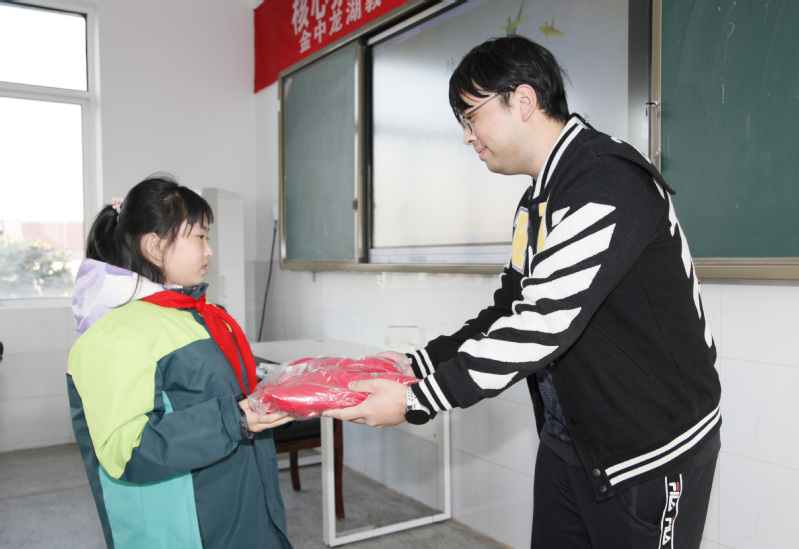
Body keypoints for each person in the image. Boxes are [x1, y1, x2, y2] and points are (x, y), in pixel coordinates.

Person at [325, 36, 721, 549]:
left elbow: (542, 323)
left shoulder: (609, 182)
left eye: (471, 116)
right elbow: (510, 310)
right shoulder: (537, 201)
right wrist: (416, 364)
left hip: (649, 451)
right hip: (573, 441)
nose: (467, 137)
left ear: (524, 100)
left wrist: (416, 400)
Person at [67, 175, 294, 548]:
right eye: (200, 237)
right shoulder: (116, 334)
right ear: (155, 245)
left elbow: (227, 397)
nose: (209, 251)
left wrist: (280, 394)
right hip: (188, 529)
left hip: (242, 505)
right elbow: (127, 451)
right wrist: (235, 419)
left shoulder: (199, 314)